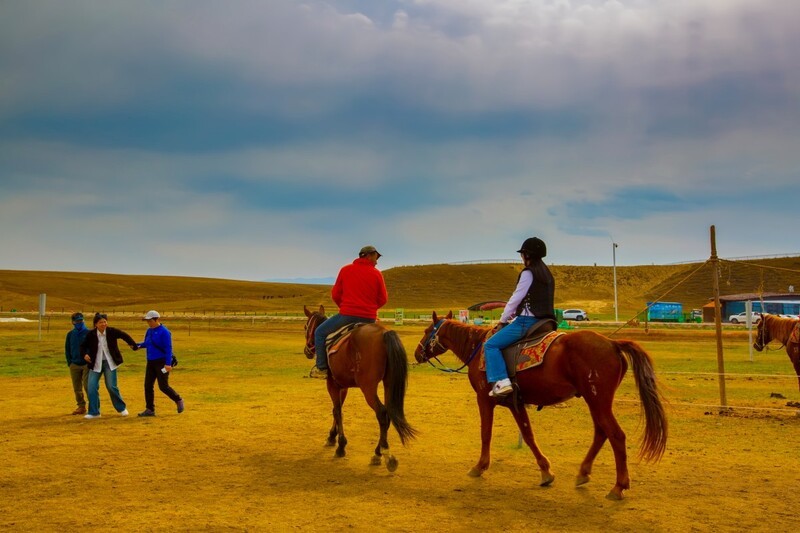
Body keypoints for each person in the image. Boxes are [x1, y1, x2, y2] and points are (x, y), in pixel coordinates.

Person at [484, 237, 555, 397]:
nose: (521, 257)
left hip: (527, 322)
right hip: (546, 322)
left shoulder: (528, 273)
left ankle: (502, 382)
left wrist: (503, 320)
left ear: (528, 255)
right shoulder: (547, 274)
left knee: (490, 345)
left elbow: (515, 299)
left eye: (522, 254)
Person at [310, 245, 389, 378]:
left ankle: (322, 368)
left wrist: (345, 307)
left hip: (347, 316)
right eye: (376, 258)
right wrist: (370, 309)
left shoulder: (345, 270)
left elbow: (335, 294)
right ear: (368, 256)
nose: (377, 261)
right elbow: (383, 299)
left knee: (319, 332)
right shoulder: (377, 274)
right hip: (369, 318)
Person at [81, 313, 138, 419]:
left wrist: (132, 344)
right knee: (91, 387)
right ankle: (94, 412)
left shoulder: (112, 331)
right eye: (101, 322)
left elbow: (124, 335)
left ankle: (122, 408)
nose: (103, 324)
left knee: (111, 386)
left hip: (110, 363)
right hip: (96, 364)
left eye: (105, 322)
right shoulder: (91, 334)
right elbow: (83, 346)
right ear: (95, 324)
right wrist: (85, 354)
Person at [137, 310, 184, 416]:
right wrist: (137, 345)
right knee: (147, 385)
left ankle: (178, 399)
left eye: (150, 321)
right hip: (151, 362)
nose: (148, 323)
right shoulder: (149, 331)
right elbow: (147, 343)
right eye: (147, 321)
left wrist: (168, 364)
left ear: (157, 319)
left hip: (161, 362)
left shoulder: (164, 332)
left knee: (163, 386)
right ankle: (150, 409)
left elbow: (168, 348)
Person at [64, 312, 90, 415]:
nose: (80, 323)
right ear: (73, 322)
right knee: (77, 387)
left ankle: (93, 406)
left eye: (81, 321)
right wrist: (70, 362)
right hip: (74, 364)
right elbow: (67, 349)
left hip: (86, 364)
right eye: (77, 321)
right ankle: (81, 406)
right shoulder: (70, 334)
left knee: (88, 386)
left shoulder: (89, 333)